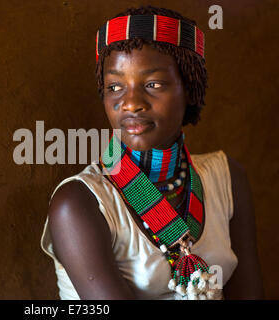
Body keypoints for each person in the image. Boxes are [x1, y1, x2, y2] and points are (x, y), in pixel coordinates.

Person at [40, 5, 264, 300]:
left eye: (153, 84)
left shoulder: (226, 179)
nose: (131, 103)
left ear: (190, 89)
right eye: (115, 86)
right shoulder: (80, 203)